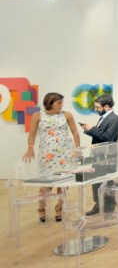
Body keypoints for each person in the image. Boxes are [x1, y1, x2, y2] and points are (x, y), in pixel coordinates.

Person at [22, 92, 80, 222]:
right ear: (50, 103)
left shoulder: (67, 115)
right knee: (46, 183)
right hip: (47, 156)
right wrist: (30, 148)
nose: (62, 105)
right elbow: (32, 133)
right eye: (59, 102)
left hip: (65, 154)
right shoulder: (37, 116)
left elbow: (75, 132)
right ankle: (41, 207)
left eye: (61, 102)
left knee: (63, 183)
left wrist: (77, 150)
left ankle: (60, 206)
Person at [80, 94, 118, 215]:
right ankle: (98, 205)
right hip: (98, 155)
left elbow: (108, 137)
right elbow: (101, 135)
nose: (96, 109)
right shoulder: (104, 117)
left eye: (98, 107)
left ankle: (108, 210)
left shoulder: (114, 119)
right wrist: (88, 129)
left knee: (107, 182)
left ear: (106, 106)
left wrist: (92, 128)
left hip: (107, 157)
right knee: (96, 182)